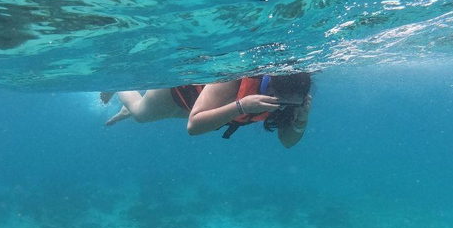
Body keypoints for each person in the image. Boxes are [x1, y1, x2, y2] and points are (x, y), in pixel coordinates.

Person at [102, 73, 312, 148]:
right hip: (177, 92)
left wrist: (301, 120)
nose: (281, 107)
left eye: (288, 104)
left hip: (203, 107)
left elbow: (287, 143)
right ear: (268, 85)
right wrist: (242, 106)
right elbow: (193, 127)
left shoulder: (291, 97)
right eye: (276, 99)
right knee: (140, 114)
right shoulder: (234, 77)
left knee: (172, 114)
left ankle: (125, 110)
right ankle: (118, 83)